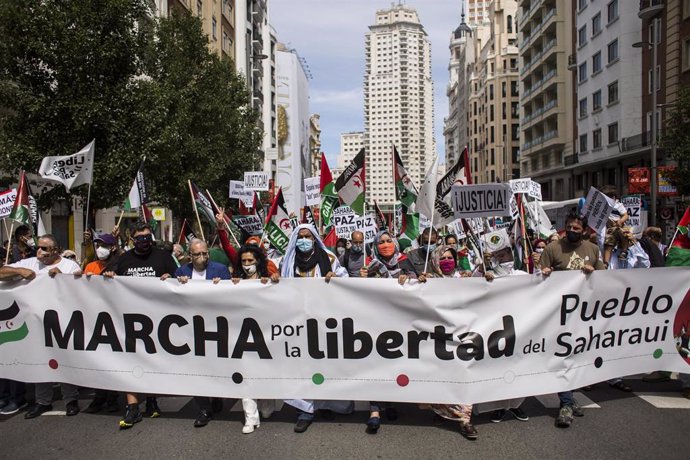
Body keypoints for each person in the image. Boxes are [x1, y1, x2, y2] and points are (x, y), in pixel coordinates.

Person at [103, 223, 178, 429]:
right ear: (132, 240)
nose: (143, 241)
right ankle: (132, 407)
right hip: (128, 318)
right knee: (130, 361)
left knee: (151, 360)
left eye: (147, 237)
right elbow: (106, 275)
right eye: (139, 238)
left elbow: (180, 277)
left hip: (157, 318)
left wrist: (170, 278)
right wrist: (108, 276)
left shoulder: (162, 256)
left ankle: (152, 399)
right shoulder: (124, 259)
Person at [0, 234, 82, 418]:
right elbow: (1, 272)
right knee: (40, 360)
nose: (39, 250)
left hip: (61, 320)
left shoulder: (69, 266)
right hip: (35, 323)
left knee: (64, 359)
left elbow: (80, 289)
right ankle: (42, 401)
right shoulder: (30, 263)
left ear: (55, 250)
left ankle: (71, 399)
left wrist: (63, 279)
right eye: (38, 247)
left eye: (44, 248)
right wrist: (19, 271)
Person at [280, 224, 349, 433]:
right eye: (300, 237)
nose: (303, 240)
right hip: (298, 320)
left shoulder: (329, 258)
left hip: (324, 318)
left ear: (314, 238)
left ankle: (325, 404)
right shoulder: (288, 260)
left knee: (327, 363)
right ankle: (306, 409)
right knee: (301, 364)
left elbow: (343, 277)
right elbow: (280, 282)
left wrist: (337, 279)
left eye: (308, 236)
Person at [540, 214, 605, 428]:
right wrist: (545, 273)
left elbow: (605, 281)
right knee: (563, 356)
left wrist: (594, 272)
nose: (572, 230)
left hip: (584, 313)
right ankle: (566, 402)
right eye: (568, 227)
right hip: (559, 314)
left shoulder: (593, 250)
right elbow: (538, 280)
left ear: (584, 230)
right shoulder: (552, 249)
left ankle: (571, 397)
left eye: (576, 228)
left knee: (577, 357)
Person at [360, 230, 419, 434]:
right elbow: (357, 294)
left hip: (400, 323)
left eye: (388, 241)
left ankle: (392, 403)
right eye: (381, 242)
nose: (385, 245)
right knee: (375, 365)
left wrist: (411, 279)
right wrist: (361, 278)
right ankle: (374, 411)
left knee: (394, 364)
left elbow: (419, 284)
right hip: (376, 323)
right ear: (376, 245)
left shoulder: (405, 261)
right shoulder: (369, 264)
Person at [171, 239, 233, 427]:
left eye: (205, 253)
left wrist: (221, 285)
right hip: (192, 328)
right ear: (190, 255)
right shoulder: (182, 272)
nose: (202, 257)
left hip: (216, 325)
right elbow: (173, 297)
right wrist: (177, 284)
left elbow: (232, 295)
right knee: (197, 369)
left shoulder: (220, 269)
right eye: (197, 254)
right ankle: (204, 408)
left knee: (216, 365)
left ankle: (217, 395)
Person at [227, 244, 280, 433]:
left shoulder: (268, 279)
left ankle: (266, 405)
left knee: (265, 373)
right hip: (243, 336)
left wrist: (275, 281)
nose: (247, 264)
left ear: (258, 260)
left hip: (266, 335)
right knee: (246, 376)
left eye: (251, 260)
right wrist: (220, 284)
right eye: (244, 261)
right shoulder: (235, 281)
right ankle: (250, 418)